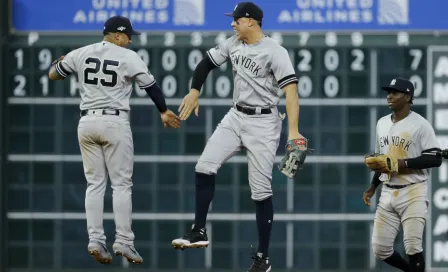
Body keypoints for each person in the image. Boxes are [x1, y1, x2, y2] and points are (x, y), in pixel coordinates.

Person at [171, 2, 306, 272]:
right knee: (204, 166)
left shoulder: (275, 52)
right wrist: (194, 90)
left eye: (236, 20)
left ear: (251, 21)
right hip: (236, 116)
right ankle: (199, 230)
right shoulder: (233, 43)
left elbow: (291, 92)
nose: (232, 23)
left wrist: (293, 131)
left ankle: (263, 259)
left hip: (265, 123)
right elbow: (205, 63)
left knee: (260, 192)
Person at [48, 16, 181, 264]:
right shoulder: (128, 57)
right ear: (118, 35)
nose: (131, 40)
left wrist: (59, 62)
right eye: (129, 35)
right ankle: (124, 241)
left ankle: (95, 239)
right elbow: (151, 87)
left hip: (86, 122)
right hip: (114, 122)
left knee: (95, 184)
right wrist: (163, 110)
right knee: (121, 184)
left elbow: (54, 74)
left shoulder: (81, 53)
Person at [362, 77, 442, 272]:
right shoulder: (381, 123)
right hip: (388, 191)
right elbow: (383, 161)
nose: (389, 96)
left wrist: (401, 163)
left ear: (407, 97)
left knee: (413, 246)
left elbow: (435, 158)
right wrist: (373, 187)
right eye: (388, 92)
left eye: (395, 92)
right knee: (380, 249)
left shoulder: (421, 125)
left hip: (413, 191)